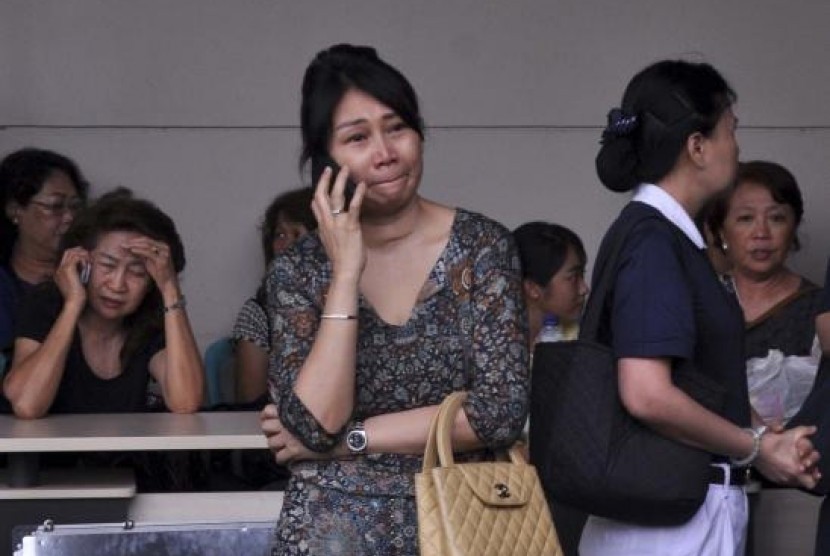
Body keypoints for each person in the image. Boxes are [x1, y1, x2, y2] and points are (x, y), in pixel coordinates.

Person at [259, 44, 528, 555]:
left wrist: (352, 440)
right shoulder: (298, 272)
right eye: (357, 137)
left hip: (464, 525)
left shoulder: (482, 248)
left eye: (397, 127)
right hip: (331, 533)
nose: (385, 152)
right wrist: (344, 273)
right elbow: (314, 423)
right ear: (325, 159)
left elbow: (499, 412)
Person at [579, 60, 820, 556]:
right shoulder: (653, 241)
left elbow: (698, 380)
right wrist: (753, 446)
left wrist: (762, 434)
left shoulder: (667, 238)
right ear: (697, 146)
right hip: (668, 521)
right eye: (731, 130)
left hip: (677, 511)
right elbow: (646, 394)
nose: (736, 145)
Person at [3, 189, 203, 418]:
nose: (117, 285)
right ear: (82, 262)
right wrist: (73, 304)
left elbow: (186, 402)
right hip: (54, 453)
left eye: (137, 272)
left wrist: (169, 289)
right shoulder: (46, 304)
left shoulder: (151, 316)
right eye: (107, 265)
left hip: (129, 453)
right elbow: (26, 404)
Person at [707, 160, 822, 363]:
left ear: (793, 228)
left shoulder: (819, 309)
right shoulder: (697, 299)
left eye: (776, 218)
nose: (761, 233)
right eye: (746, 218)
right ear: (722, 232)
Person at [0, 148, 89, 359]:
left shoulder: (93, 278)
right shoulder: (5, 287)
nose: (69, 217)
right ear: (14, 209)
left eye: (75, 207)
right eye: (55, 206)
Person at [231, 187, 315, 406]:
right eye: (279, 235)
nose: (286, 245)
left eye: (296, 234)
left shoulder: (351, 304)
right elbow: (252, 403)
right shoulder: (258, 313)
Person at [513, 221, 588, 345]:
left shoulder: (582, 339)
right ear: (532, 288)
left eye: (582, 275)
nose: (584, 289)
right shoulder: (494, 348)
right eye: (573, 277)